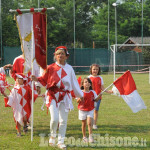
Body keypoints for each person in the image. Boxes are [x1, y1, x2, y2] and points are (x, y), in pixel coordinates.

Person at [31, 46, 83, 150]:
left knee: (63, 120)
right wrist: (36, 79)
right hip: (52, 95)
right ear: (55, 56)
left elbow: (74, 83)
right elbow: (43, 79)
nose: (60, 55)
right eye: (58, 54)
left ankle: (61, 141)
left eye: (62, 54)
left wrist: (80, 95)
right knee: (54, 119)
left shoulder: (69, 69)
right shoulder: (50, 67)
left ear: (66, 56)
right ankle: (53, 135)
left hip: (65, 97)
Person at [88, 64, 113, 129]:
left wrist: (108, 91)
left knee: (96, 111)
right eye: (94, 69)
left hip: (98, 97)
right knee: (89, 111)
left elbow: (102, 87)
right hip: (90, 97)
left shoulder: (100, 78)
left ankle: (94, 124)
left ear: (98, 70)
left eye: (97, 69)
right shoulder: (88, 78)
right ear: (91, 70)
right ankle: (89, 123)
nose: (95, 71)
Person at [77, 77, 100, 143]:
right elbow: (77, 101)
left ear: (90, 84)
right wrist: (80, 98)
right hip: (82, 110)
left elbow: (95, 99)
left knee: (90, 123)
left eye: (88, 82)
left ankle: (90, 137)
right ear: (82, 84)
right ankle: (84, 137)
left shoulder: (92, 92)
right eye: (85, 82)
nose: (87, 83)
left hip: (90, 109)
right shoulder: (80, 92)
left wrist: (98, 97)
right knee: (84, 124)